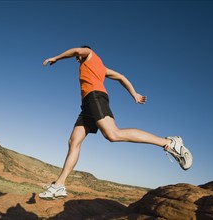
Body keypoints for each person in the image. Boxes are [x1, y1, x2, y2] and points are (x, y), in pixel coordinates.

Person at [39, 46, 193, 199]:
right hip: (87, 104)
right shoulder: (101, 68)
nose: (77, 59)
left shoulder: (90, 55)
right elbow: (121, 76)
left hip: (95, 97)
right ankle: (59, 185)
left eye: (78, 57)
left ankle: (169, 142)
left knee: (112, 134)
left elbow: (78, 51)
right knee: (74, 141)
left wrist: (56, 58)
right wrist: (134, 94)